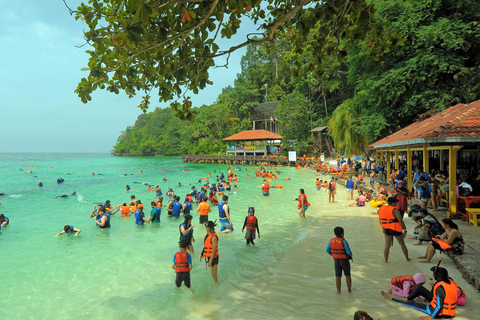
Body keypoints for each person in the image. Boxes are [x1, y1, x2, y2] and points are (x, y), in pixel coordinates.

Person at [382, 267, 458, 319]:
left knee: (412, 303)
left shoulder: (439, 288)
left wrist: (430, 317)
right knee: (419, 288)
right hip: (451, 312)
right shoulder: (449, 281)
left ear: (436, 276)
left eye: (433, 275)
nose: (432, 276)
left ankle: (392, 299)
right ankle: (407, 298)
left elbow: (439, 306)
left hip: (441, 314)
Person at [378, 197, 411, 262]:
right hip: (395, 229)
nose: (397, 204)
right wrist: (405, 230)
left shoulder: (381, 209)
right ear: (393, 203)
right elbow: (400, 221)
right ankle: (407, 259)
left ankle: (386, 260)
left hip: (386, 228)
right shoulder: (395, 210)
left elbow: (380, 219)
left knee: (387, 245)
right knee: (402, 244)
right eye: (396, 203)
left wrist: (382, 227)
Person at [326, 226, 352, 293]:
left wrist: (333, 255)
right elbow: (349, 252)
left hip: (336, 261)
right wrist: (351, 256)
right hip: (344, 261)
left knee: (338, 277)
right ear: (342, 234)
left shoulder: (331, 241)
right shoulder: (344, 241)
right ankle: (349, 290)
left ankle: (338, 291)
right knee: (347, 275)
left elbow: (328, 250)